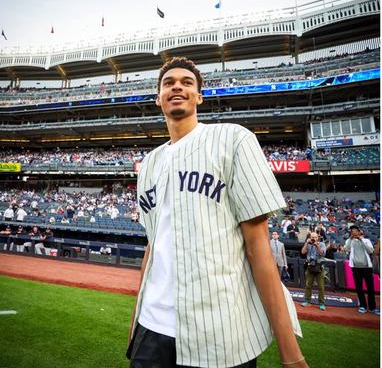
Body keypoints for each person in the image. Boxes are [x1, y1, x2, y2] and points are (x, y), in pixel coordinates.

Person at [127, 57, 306, 368]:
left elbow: (258, 248)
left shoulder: (234, 139)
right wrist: (135, 320)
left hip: (220, 333)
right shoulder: (149, 164)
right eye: (168, 83)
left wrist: (290, 353)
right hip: (151, 330)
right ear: (158, 98)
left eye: (187, 82)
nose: (177, 86)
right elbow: (153, 246)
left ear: (199, 96)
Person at [344, 225, 380, 315]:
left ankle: (373, 308)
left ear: (359, 231)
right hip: (355, 268)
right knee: (359, 288)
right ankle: (363, 306)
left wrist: (361, 240)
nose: (353, 232)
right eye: (352, 231)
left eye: (355, 230)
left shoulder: (366, 240)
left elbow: (371, 251)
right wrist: (350, 239)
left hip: (367, 267)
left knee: (370, 288)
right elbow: (346, 249)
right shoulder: (349, 241)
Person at [301, 232, 326, 310]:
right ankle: (307, 301)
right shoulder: (308, 244)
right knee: (308, 285)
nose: (314, 239)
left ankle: (321, 303)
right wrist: (306, 243)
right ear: (310, 237)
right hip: (309, 266)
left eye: (315, 237)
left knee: (321, 286)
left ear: (317, 237)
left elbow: (322, 254)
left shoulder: (321, 244)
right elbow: (303, 252)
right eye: (312, 237)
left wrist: (316, 245)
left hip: (319, 267)